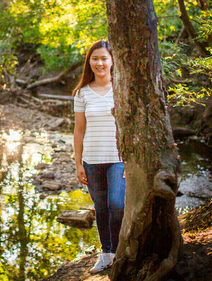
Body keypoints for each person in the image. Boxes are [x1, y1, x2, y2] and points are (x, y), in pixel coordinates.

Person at [72, 39, 125, 274]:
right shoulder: (82, 92)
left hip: (117, 158)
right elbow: (79, 130)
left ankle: (120, 249)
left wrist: (130, 160)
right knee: (101, 208)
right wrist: (78, 163)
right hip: (91, 160)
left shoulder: (122, 89)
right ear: (89, 62)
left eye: (104, 58)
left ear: (112, 61)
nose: (100, 63)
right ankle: (106, 254)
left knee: (117, 204)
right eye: (95, 58)